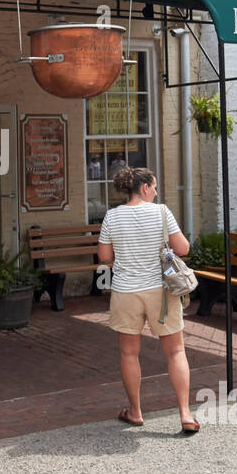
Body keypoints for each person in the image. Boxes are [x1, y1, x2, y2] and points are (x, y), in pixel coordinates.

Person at [95, 166, 198, 434]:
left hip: (125, 292)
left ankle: (136, 412)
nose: (156, 192)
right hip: (160, 292)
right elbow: (184, 249)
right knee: (175, 351)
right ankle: (186, 414)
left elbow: (104, 257)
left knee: (129, 353)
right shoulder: (162, 212)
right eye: (154, 187)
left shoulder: (112, 216)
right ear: (143, 188)